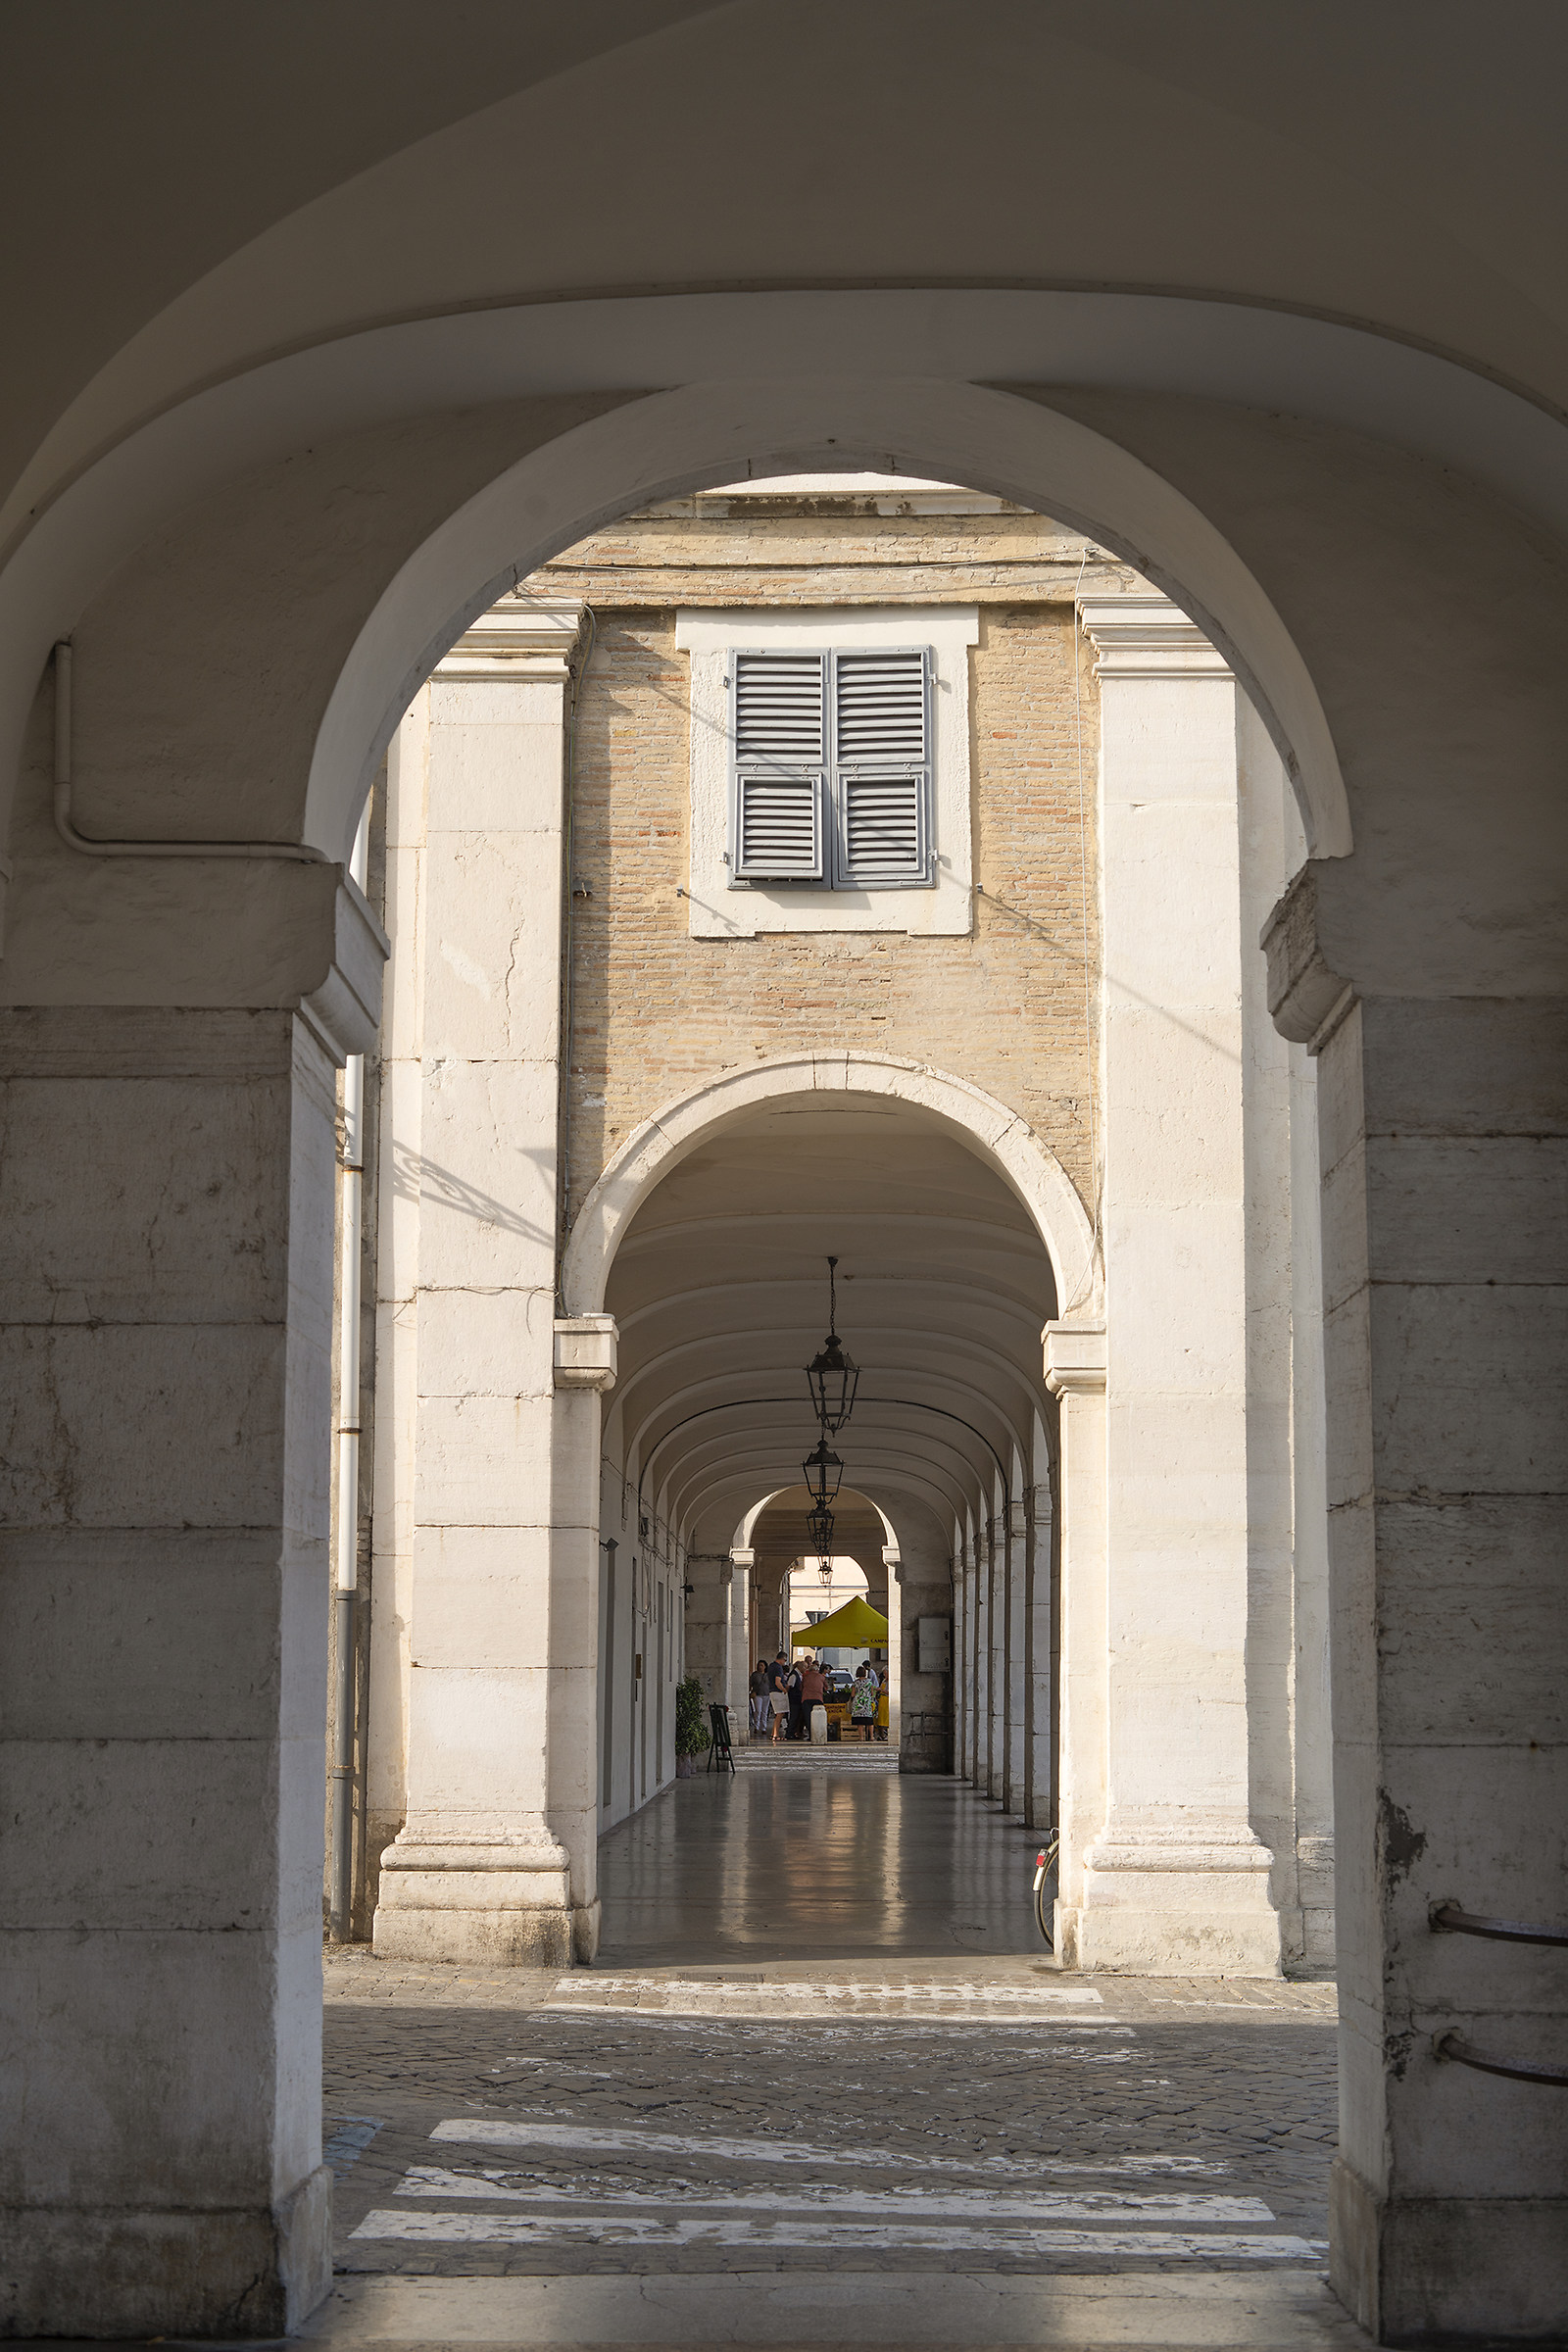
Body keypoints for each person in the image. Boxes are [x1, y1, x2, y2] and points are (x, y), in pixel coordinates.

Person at [850, 1658, 879, 1742]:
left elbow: (852, 1694)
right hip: (867, 1703)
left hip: (858, 1704)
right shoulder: (869, 1682)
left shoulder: (855, 1683)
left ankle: (861, 1737)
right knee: (869, 1721)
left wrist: (853, 1699)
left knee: (860, 1722)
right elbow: (872, 1693)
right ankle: (872, 1737)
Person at [798, 1651, 826, 1740]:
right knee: (818, 1718)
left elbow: (801, 1688)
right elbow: (826, 1687)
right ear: (817, 1670)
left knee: (808, 1718)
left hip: (806, 1699)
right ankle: (818, 1735)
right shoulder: (821, 1677)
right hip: (818, 1699)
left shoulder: (805, 1677)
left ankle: (811, 1734)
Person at [766, 1649, 791, 1744]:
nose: (784, 1663)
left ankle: (774, 1733)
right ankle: (776, 1735)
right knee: (780, 1714)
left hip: (772, 1692)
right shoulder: (778, 1668)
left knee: (778, 1714)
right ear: (782, 1659)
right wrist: (784, 1690)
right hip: (777, 1692)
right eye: (785, 1661)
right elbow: (778, 1681)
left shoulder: (771, 1666)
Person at [749, 1659, 770, 1739]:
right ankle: (756, 1726)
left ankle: (764, 1727)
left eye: (762, 1665)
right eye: (759, 1665)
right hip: (757, 1694)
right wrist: (750, 1692)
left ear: (765, 1666)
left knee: (765, 1711)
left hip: (767, 1694)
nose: (760, 1667)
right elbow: (750, 1683)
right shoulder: (755, 1675)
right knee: (758, 1710)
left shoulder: (768, 1675)